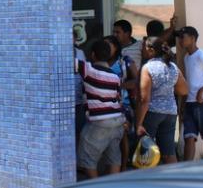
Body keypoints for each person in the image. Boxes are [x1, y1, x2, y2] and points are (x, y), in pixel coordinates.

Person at [76, 40, 125, 179]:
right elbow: (118, 98)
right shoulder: (115, 77)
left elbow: (64, 60)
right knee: (114, 158)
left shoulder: (88, 69)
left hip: (100, 122)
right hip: (117, 121)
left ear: (92, 55)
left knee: (87, 159)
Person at [136, 35, 188, 164]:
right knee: (169, 152)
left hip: (152, 113)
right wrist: (167, 87)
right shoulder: (173, 67)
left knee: (146, 152)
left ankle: (149, 183)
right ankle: (176, 182)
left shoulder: (147, 68)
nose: (141, 51)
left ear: (151, 50)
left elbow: (144, 99)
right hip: (170, 113)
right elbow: (184, 90)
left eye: (143, 48)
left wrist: (139, 123)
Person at [104, 35, 138, 171]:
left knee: (122, 137)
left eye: (108, 45)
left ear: (116, 47)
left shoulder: (125, 61)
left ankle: (123, 167)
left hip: (123, 105)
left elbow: (137, 81)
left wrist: (119, 85)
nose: (105, 48)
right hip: (105, 106)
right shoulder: (100, 61)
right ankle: (112, 167)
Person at [177, 26, 203, 161]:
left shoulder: (202, 55)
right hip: (189, 103)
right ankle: (186, 169)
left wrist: (202, 91)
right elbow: (187, 81)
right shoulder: (186, 57)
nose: (180, 41)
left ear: (193, 39)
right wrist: (183, 103)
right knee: (189, 137)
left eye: (182, 37)